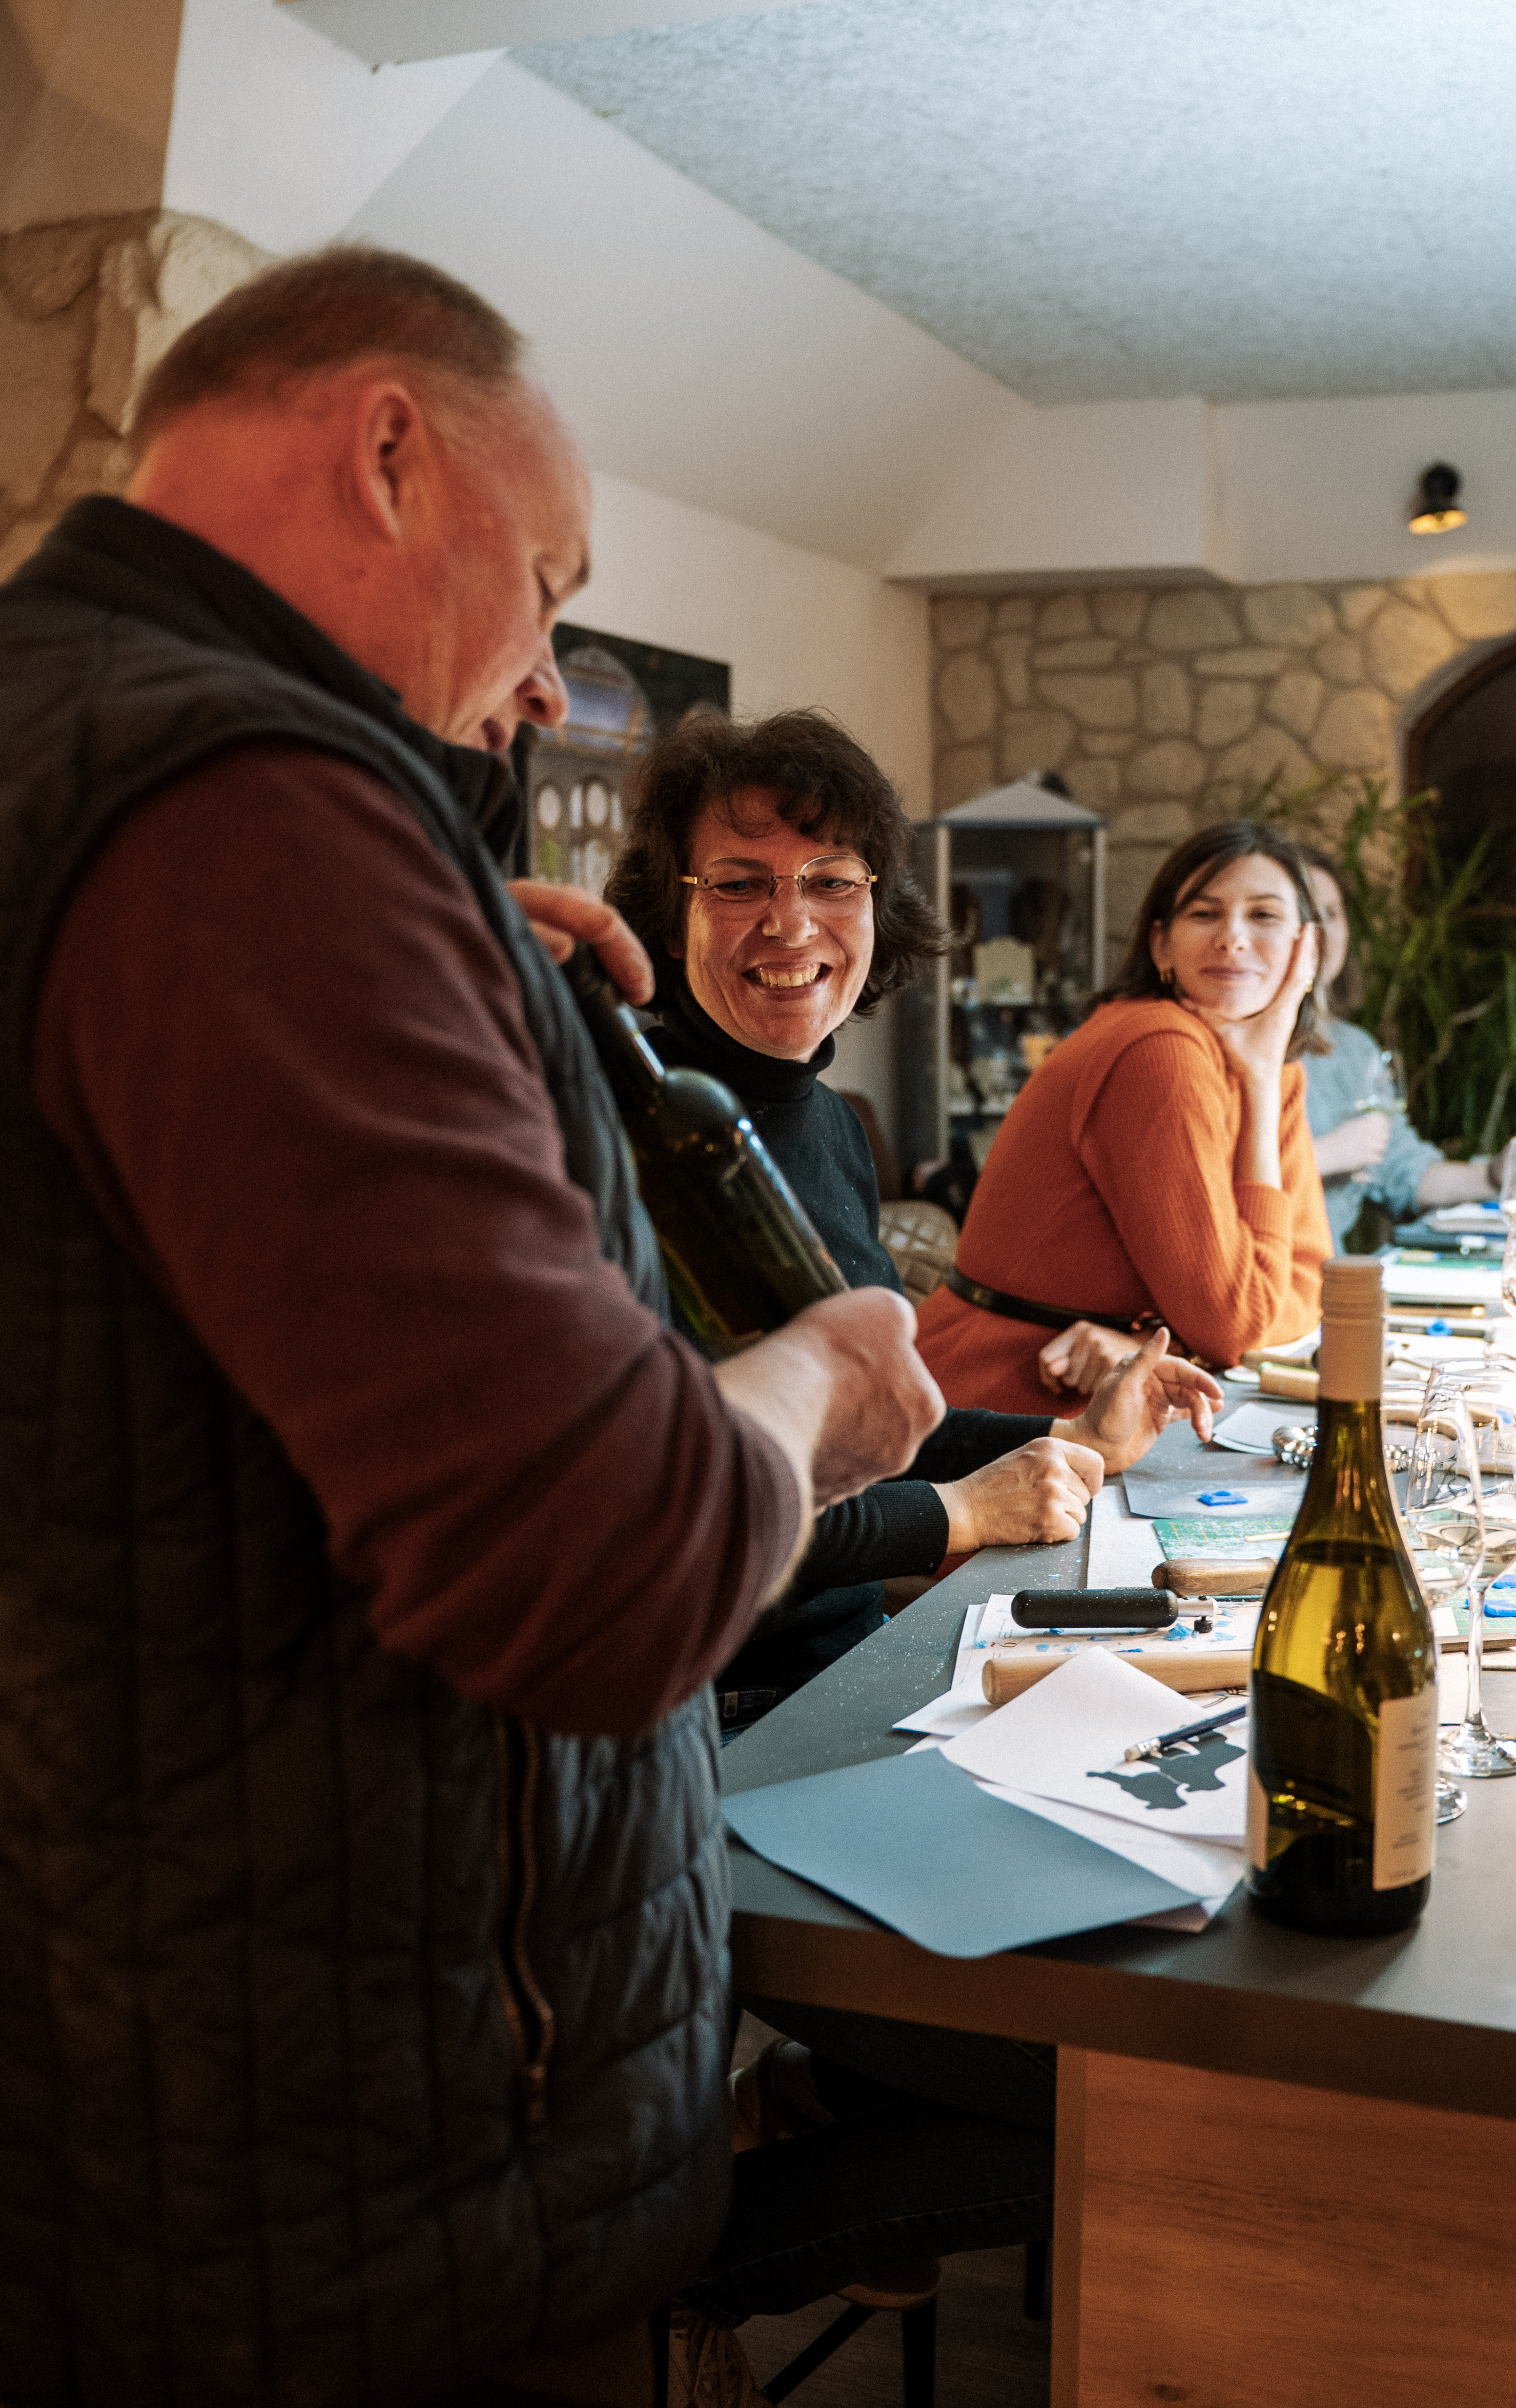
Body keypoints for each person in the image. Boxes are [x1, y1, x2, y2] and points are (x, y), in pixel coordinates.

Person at [0, 247, 946, 2408]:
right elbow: (606, 1581)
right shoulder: (240, 806)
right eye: (549, 581)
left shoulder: (100, 760)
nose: (542, 681)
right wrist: (824, 1378)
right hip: (342, 2179)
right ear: (393, 450)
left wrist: (414, 960)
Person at [597, 708, 1223, 1723]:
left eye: (831, 881)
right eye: (738, 883)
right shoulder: (645, 1136)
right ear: (669, 919)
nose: (790, 923)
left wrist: (1072, 1435)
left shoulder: (828, 1123)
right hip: (720, 1712)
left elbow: (866, 1431)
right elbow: (686, 1495)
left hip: (846, 1670)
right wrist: (958, 1513)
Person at [916, 820, 1333, 1413]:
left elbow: (1306, 1290)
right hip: (994, 1410)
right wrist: (1187, 1341)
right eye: (1203, 914)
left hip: (1107, 1410)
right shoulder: (1155, 1048)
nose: (1232, 939)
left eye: (1263, 916)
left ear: (1305, 948)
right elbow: (1239, 1326)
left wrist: (1147, 1344)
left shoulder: (1268, 1064)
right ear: (1160, 945)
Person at [1302, 851, 1501, 1248]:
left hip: (1332, 1290)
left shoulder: (1353, 1049)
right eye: (1305, 912)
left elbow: (1404, 1174)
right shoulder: (1227, 1049)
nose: (1321, 930)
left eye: (1332, 913)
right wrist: (1327, 1153)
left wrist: (1495, 1174)